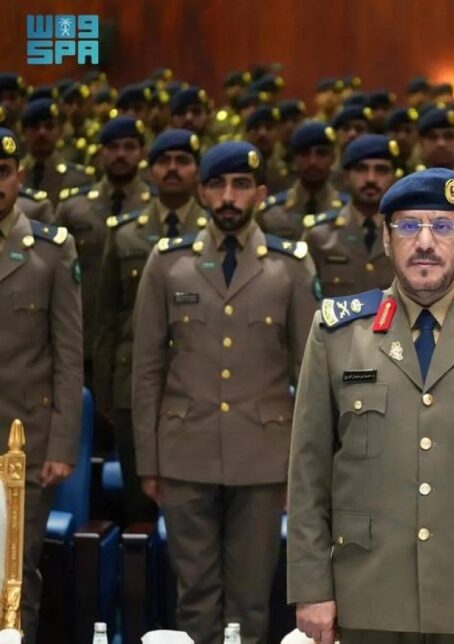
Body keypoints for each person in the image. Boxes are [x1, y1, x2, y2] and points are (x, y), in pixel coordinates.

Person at [287, 167, 454, 644]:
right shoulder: (338, 334)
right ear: (386, 238)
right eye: (409, 226)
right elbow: (308, 472)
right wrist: (312, 588)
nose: (425, 242)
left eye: (442, 226)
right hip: (367, 593)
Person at [132, 141, 318, 644]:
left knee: (251, 600)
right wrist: (149, 461)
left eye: (241, 185)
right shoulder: (168, 263)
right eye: (217, 185)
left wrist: (302, 468)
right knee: (194, 596)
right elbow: (147, 369)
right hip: (184, 452)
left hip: (263, 457)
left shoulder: (290, 265)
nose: (229, 197)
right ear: (202, 192)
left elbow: (309, 374)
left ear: (261, 192)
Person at [93, 129, 208, 523]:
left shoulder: (214, 233)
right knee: (139, 501)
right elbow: (106, 319)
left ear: (197, 171)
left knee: (195, 503)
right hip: (132, 388)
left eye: (183, 161)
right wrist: (105, 391)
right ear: (151, 169)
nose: (173, 169)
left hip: (197, 384)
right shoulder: (125, 232)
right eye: (164, 162)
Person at [0, 128, 83, 641]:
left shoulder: (51, 249)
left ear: (20, 177)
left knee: (15, 576)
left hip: (22, 444)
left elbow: (68, 355)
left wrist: (61, 445)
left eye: (3, 173)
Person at [55, 116, 152, 389]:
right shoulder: (74, 208)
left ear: (142, 153)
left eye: (129, 147)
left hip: (135, 343)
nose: (121, 154)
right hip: (81, 338)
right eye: (113, 147)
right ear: (100, 153)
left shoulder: (155, 211)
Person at [306, 134, 398, 296]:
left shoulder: (406, 232)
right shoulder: (320, 235)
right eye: (361, 169)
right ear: (346, 177)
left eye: (381, 170)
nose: (371, 179)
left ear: (394, 177)